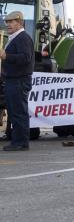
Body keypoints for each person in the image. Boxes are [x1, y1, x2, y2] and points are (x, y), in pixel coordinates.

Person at [1, 11, 34, 151]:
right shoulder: (15, 38)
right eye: (7, 22)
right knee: (15, 111)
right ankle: (18, 140)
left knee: (19, 112)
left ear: (20, 22)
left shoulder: (22, 38)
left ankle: (21, 142)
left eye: (11, 22)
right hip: (13, 80)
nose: (8, 24)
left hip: (19, 80)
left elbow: (25, 58)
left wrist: (6, 56)